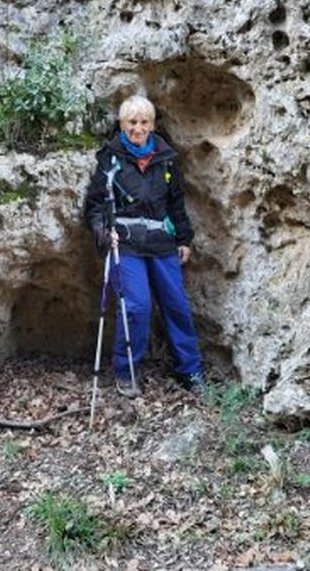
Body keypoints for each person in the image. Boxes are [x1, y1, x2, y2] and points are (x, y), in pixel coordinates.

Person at [84, 94, 203, 397]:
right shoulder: (109, 159)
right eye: (132, 122)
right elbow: (95, 205)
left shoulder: (166, 158)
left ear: (152, 124)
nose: (138, 128)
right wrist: (103, 232)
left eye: (144, 122)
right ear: (122, 124)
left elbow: (176, 202)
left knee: (176, 305)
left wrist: (184, 238)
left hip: (162, 243)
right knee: (136, 307)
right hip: (126, 244)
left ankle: (191, 371)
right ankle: (126, 372)